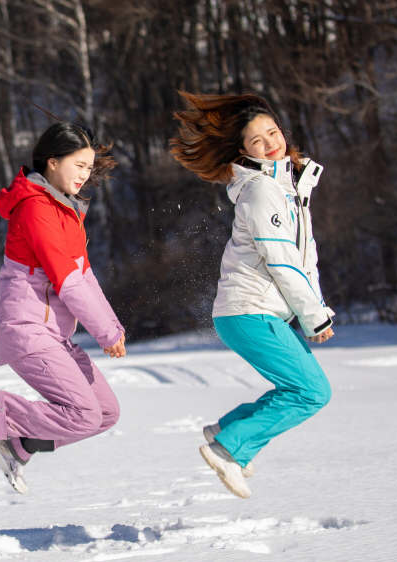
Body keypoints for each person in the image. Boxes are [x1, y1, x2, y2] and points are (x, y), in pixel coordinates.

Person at [169, 92, 334, 498]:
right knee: (311, 391)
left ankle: (227, 430)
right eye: (257, 140)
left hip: (257, 313)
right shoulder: (262, 191)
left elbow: (304, 260)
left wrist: (315, 308)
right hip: (249, 312)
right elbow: (281, 260)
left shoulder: (289, 188)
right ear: (243, 151)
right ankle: (228, 449)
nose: (270, 142)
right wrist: (314, 316)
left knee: (302, 389)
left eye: (272, 132)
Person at [0, 121, 127, 494]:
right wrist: (104, 332)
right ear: (52, 162)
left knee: (104, 413)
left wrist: (112, 328)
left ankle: (15, 444)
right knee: (84, 415)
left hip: (53, 334)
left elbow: (84, 277)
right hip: (27, 330)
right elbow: (66, 280)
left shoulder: (67, 212)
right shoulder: (36, 208)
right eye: (78, 165)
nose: (85, 175)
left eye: (89, 167)